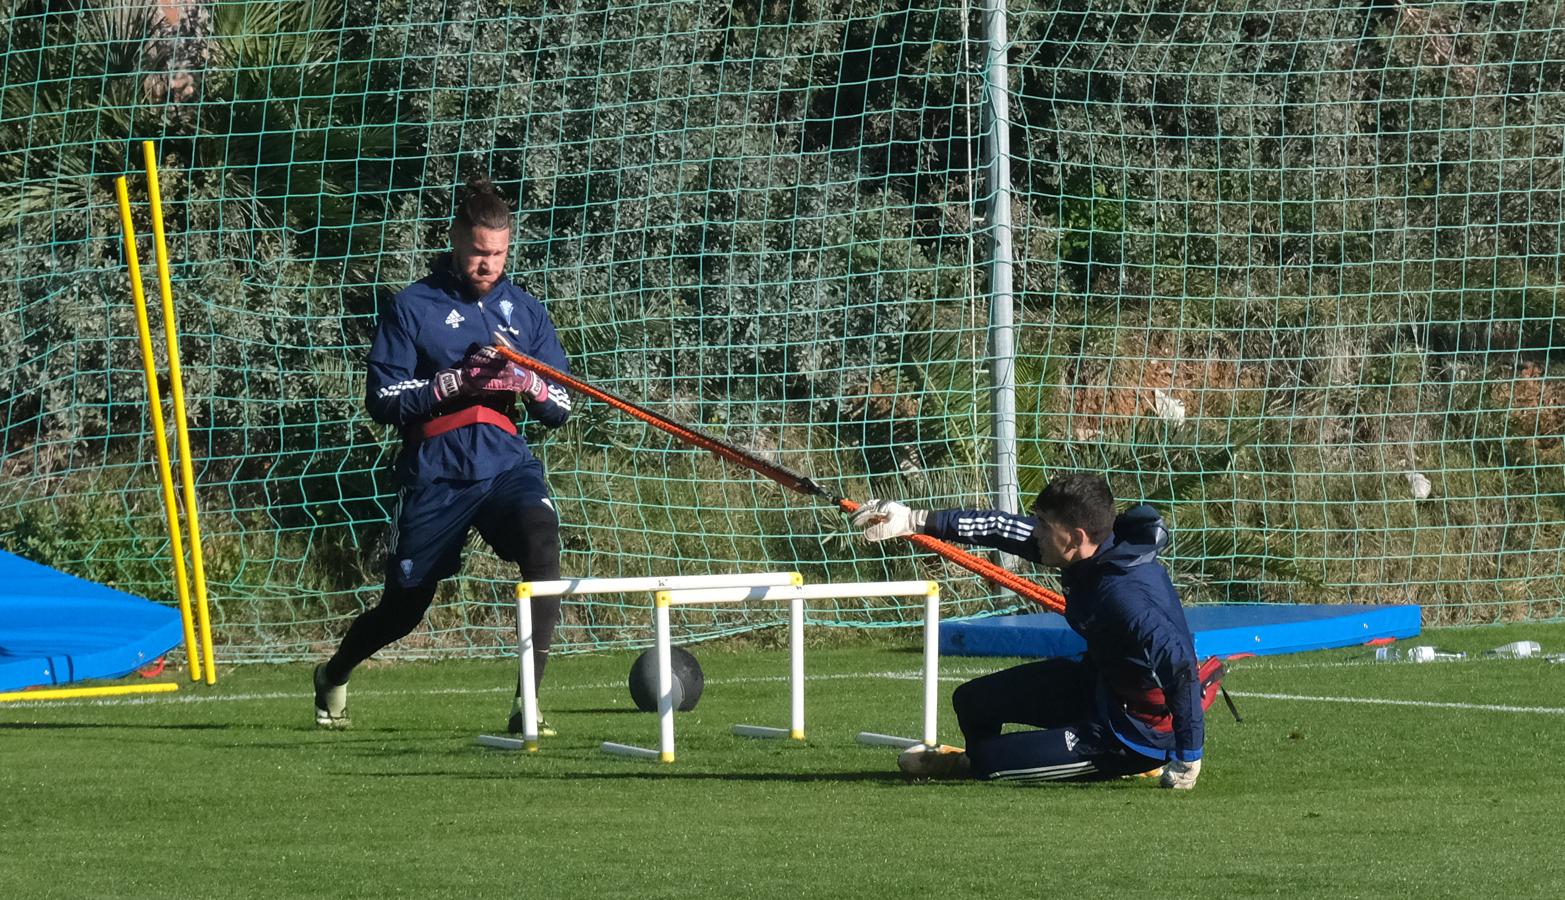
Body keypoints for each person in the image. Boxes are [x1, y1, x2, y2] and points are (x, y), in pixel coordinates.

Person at [313, 177, 572, 734]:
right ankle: (334, 672)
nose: (488, 264)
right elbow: (382, 400)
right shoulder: (413, 306)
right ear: (456, 240)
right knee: (403, 609)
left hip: (507, 462)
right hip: (437, 468)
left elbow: (563, 404)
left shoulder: (526, 312)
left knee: (542, 542)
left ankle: (526, 705)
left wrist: (527, 380)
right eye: (479, 252)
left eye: (499, 254)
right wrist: (455, 382)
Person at [851, 473, 1219, 789]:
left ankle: (980, 764)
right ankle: (985, 759)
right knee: (972, 701)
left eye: (1043, 525)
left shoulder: (1126, 596)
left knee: (989, 763)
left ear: (1074, 537)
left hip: (1136, 732)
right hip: (1099, 686)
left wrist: (1189, 756)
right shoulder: (1086, 548)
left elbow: (1180, 664)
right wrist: (912, 519)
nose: (1035, 532)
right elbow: (997, 527)